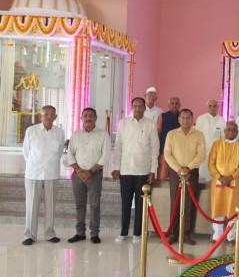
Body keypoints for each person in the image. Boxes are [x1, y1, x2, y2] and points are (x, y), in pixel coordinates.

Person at [112, 97, 159, 243]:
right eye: (135, 106)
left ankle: (137, 233)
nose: (137, 108)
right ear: (131, 107)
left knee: (140, 203)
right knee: (125, 202)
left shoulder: (151, 125)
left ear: (145, 108)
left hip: (143, 170)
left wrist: (153, 170)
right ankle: (123, 232)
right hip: (126, 169)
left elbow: (155, 149)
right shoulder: (124, 123)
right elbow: (118, 146)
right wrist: (116, 167)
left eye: (140, 106)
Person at [22, 105, 65, 245]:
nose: (49, 117)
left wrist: (49, 165)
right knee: (31, 205)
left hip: (51, 174)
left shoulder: (59, 132)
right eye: (46, 114)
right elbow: (26, 152)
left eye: (52, 114)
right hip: (33, 173)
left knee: (50, 205)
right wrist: (35, 164)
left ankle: (50, 233)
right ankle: (29, 235)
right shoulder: (31, 131)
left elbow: (59, 152)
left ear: (55, 117)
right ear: (40, 116)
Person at [66, 108, 111, 244]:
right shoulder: (76, 135)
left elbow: (105, 156)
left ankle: (94, 233)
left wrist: (90, 172)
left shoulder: (103, 135)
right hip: (78, 175)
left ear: (96, 118)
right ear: (81, 118)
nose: (88, 118)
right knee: (79, 205)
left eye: (91, 115)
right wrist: (80, 171)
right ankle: (80, 232)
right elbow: (70, 154)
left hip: (95, 175)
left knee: (94, 205)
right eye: (85, 115)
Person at [164, 109, 206, 245]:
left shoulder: (199, 135)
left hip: (191, 173)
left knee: (189, 204)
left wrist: (188, 168)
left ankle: (186, 234)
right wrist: (178, 169)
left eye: (188, 118)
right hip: (176, 173)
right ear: (179, 119)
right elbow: (167, 154)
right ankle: (173, 234)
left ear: (192, 119)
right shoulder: (172, 134)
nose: (185, 120)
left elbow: (201, 154)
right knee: (175, 203)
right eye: (182, 118)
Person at [208, 121, 239, 244]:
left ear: (237, 133)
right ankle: (217, 236)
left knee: (234, 209)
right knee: (218, 208)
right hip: (218, 182)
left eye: (233, 130)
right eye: (229, 129)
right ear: (224, 131)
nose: (231, 132)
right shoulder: (216, 144)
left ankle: (232, 237)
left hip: (235, 182)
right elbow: (211, 164)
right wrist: (219, 177)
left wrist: (231, 177)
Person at [195, 99, 226, 181]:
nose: (212, 108)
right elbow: (196, 136)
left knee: (215, 175)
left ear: (218, 107)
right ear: (207, 107)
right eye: (210, 106)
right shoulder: (201, 119)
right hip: (203, 151)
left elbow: (223, 138)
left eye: (215, 106)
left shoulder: (222, 121)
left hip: (217, 152)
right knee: (202, 174)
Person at [157, 97, 181, 179]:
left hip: (179, 151)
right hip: (164, 149)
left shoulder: (183, 117)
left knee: (177, 175)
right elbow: (158, 133)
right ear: (168, 105)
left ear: (180, 105)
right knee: (163, 174)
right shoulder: (162, 116)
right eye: (172, 103)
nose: (174, 105)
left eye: (176, 103)